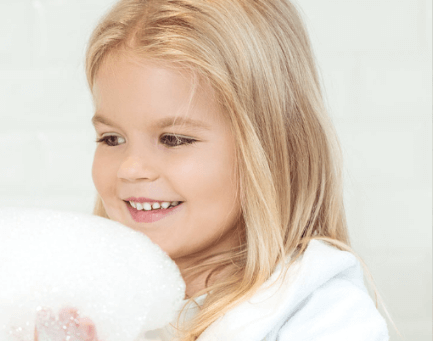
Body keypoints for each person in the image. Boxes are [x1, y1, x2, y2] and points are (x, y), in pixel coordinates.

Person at [35, 0, 398, 340]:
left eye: (174, 139)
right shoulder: (94, 305)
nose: (131, 168)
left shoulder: (326, 317)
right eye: (112, 139)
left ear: (270, 149)